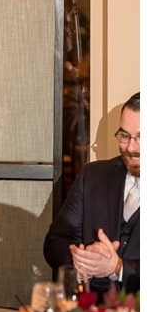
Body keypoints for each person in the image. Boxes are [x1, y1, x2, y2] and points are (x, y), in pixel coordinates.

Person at [44, 93, 140, 295]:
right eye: (124, 135)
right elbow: (56, 240)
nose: (131, 147)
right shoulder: (92, 175)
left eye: (141, 137)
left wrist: (118, 268)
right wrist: (81, 262)